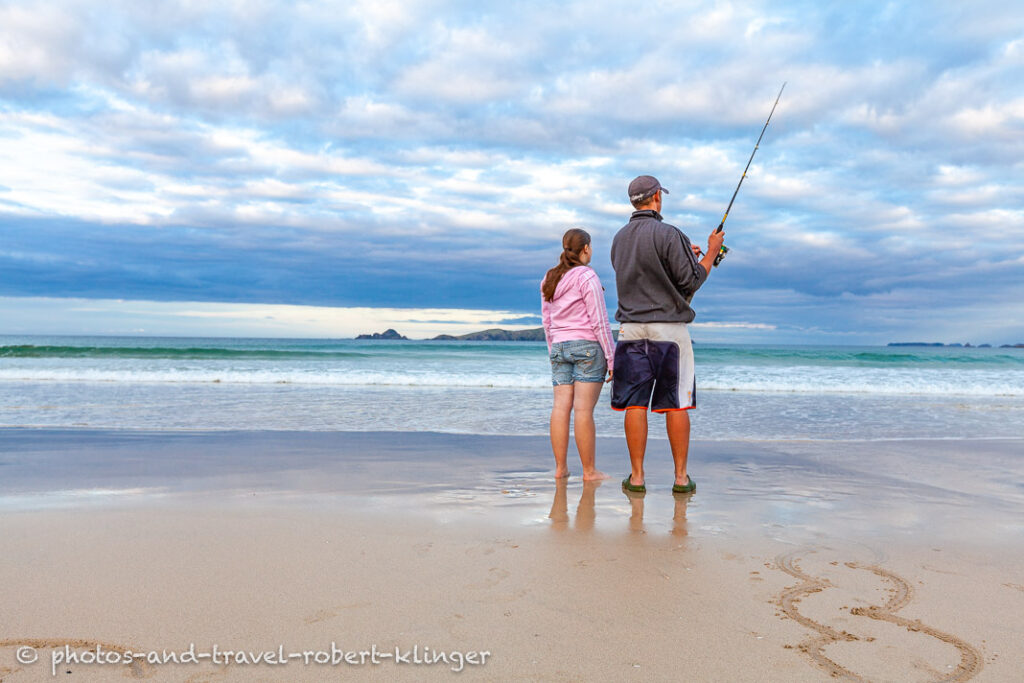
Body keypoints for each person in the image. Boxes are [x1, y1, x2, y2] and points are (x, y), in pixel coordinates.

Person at [610, 175, 724, 494]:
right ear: (657, 197)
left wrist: (686, 251)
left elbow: (645, 270)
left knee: (635, 404)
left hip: (630, 330)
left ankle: (636, 478)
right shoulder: (669, 233)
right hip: (669, 331)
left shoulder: (619, 239)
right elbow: (690, 281)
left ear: (634, 201)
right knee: (676, 405)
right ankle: (680, 478)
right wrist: (711, 253)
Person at [541, 228, 615, 481]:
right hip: (587, 348)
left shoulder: (549, 278)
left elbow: (547, 321)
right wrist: (612, 357)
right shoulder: (587, 276)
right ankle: (589, 471)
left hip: (560, 347)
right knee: (583, 411)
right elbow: (599, 322)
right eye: (590, 247)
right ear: (585, 249)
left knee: (560, 408)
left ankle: (561, 469)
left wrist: (554, 350)